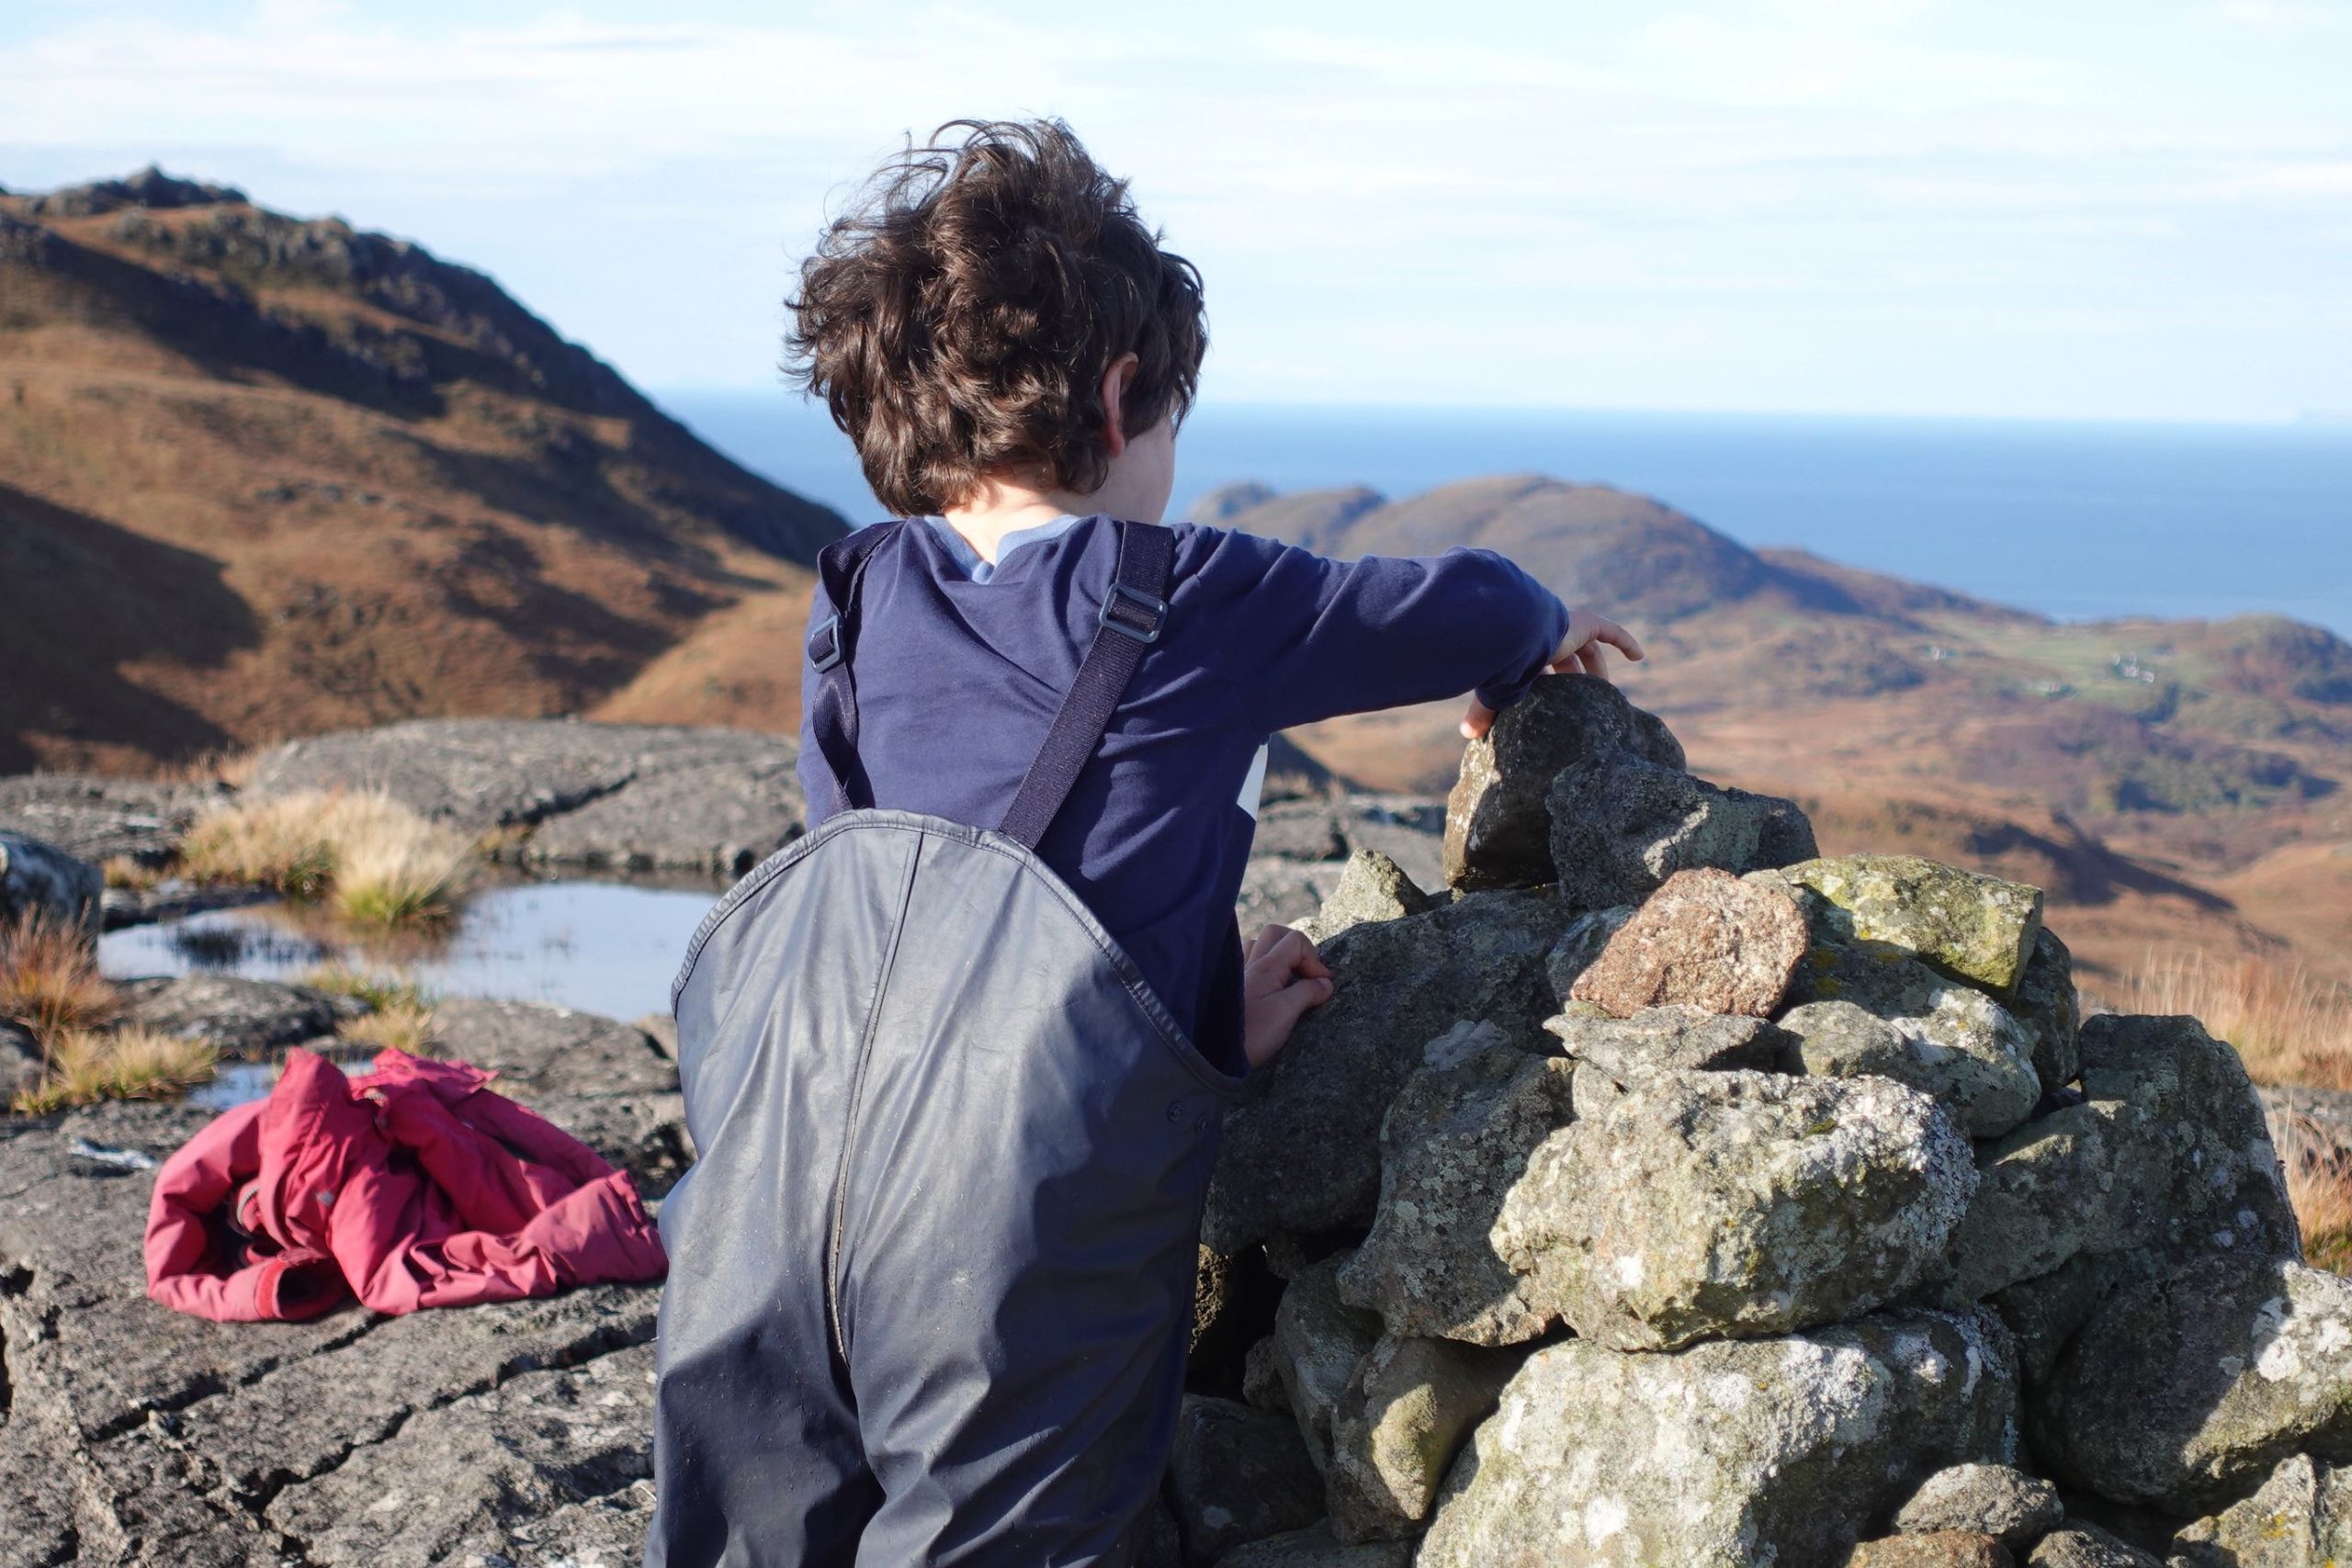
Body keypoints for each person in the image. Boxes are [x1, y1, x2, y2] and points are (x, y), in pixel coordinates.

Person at [645, 118, 1643, 1568]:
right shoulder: (1188, 597)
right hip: (1017, 1242)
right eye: (1174, 414)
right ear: (1123, 399)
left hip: (761, 1192)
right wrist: (1530, 648)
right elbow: (1470, 601)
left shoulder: (855, 599)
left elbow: (899, 936)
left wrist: (1190, 1023)